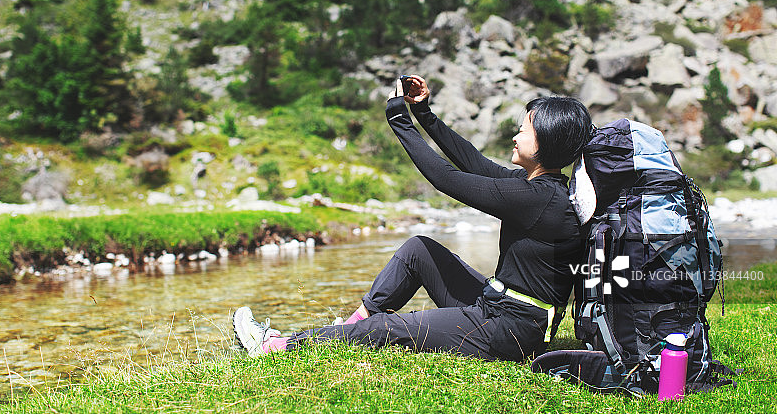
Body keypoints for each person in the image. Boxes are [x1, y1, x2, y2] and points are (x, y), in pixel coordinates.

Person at [233, 75, 593, 361]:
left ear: (545, 140)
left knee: (389, 329)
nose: (516, 136)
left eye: (524, 130)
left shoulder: (539, 199)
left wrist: (399, 120)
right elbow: (473, 163)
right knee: (419, 249)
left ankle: (277, 348)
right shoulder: (540, 187)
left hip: (510, 331)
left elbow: (445, 178)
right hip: (497, 306)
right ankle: (349, 327)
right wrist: (424, 115)